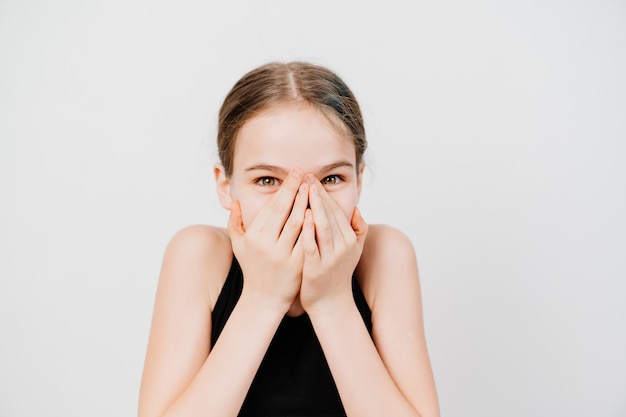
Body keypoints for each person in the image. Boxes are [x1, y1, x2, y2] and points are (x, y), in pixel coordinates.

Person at [138, 61, 440, 417]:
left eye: (331, 179)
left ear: (359, 180)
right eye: (267, 180)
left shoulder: (385, 255)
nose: (303, 203)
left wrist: (332, 300)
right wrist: (263, 298)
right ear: (225, 185)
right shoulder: (198, 255)